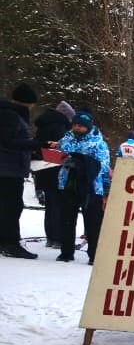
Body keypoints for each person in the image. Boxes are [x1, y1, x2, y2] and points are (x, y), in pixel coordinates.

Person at [0, 83, 53, 259]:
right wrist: (39, 144)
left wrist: (33, 149)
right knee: (12, 206)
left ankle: (7, 241)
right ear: (26, 102)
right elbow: (8, 142)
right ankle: (10, 243)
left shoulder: (11, 114)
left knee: (10, 206)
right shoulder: (10, 115)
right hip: (8, 169)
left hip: (11, 167)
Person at [53, 112, 111, 264]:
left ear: (88, 127)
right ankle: (66, 252)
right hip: (68, 182)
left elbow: (103, 165)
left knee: (92, 222)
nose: (77, 128)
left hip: (91, 186)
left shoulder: (98, 142)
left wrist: (80, 163)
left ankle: (94, 254)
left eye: (81, 126)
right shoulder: (67, 137)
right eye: (75, 125)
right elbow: (59, 152)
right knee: (66, 218)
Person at [33, 101, 73, 247]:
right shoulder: (59, 127)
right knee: (59, 204)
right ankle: (58, 238)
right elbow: (61, 149)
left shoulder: (43, 125)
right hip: (55, 169)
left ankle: (50, 236)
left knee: (50, 203)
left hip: (43, 168)